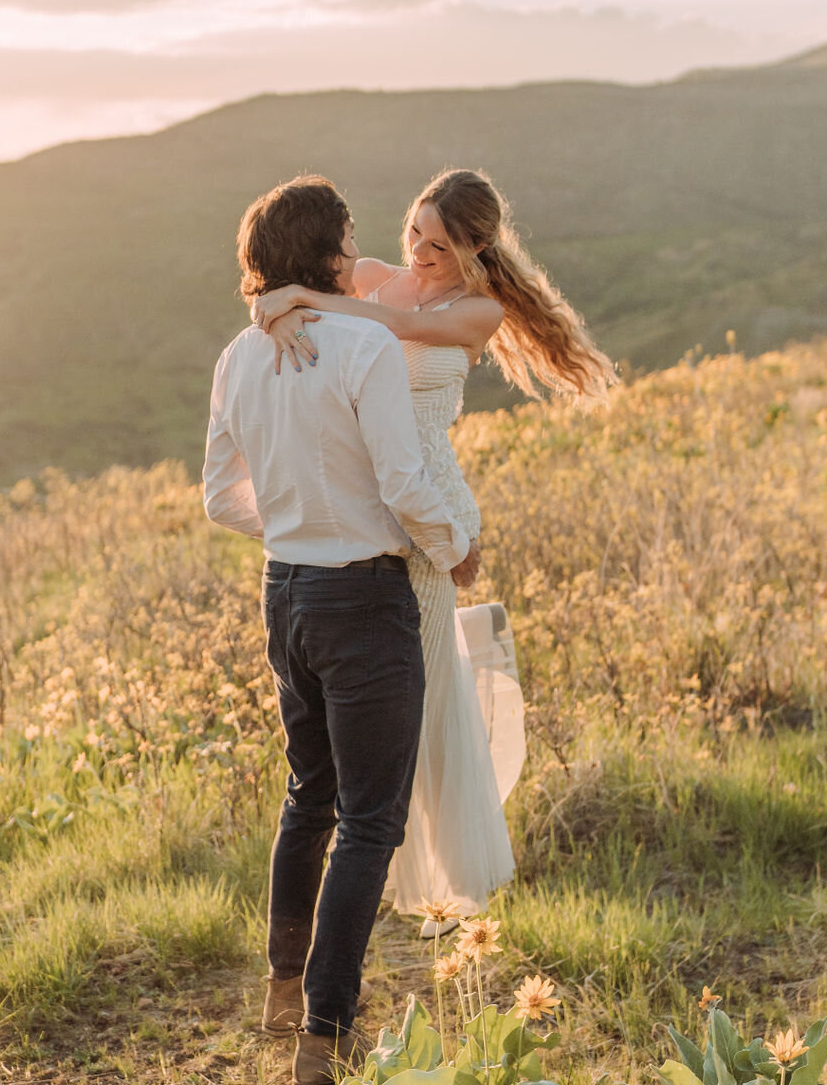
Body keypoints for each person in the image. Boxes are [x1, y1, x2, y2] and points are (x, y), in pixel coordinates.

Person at [251, 168, 617, 928]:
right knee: (400, 682)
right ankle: (378, 847)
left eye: (438, 244)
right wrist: (271, 305)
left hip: (429, 508)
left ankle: (419, 861)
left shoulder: (475, 312)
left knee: (421, 685)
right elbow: (296, 293)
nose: (416, 252)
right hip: (378, 496)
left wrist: (301, 302)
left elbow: (395, 331)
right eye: (413, 231)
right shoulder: (380, 277)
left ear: (477, 249)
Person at [202, 175, 480, 1085]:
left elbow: (217, 498)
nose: (363, 247)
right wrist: (456, 547)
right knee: (370, 821)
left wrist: (293, 526)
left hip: (285, 594)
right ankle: (324, 1032)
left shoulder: (238, 358)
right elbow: (405, 483)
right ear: (325, 249)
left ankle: (286, 989)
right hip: (364, 601)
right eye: (351, 234)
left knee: (307, 796)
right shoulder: (362, 344)